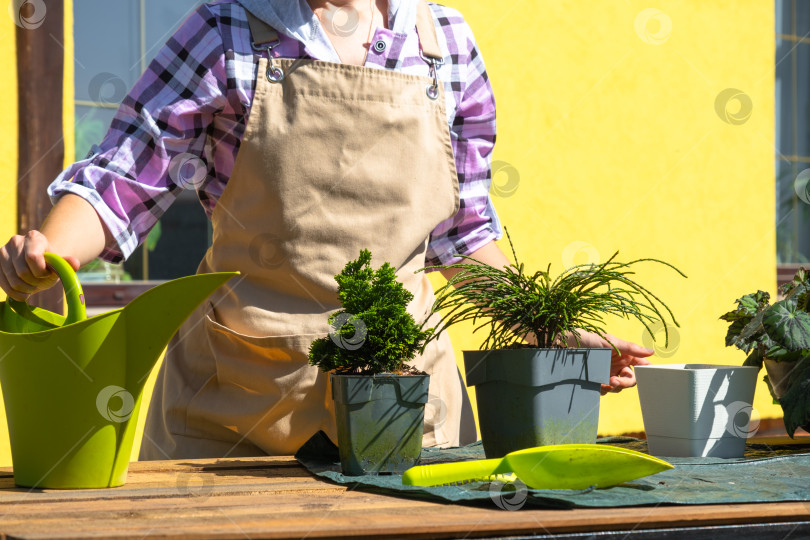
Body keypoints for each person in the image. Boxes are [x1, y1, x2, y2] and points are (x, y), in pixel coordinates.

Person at [0, 0, 652, 460]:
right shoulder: (225, 28)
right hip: (239, 409)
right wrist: (47, 253)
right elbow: (123, 182)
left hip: (404, 410)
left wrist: (547, 327)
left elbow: (462, 233)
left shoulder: (444, 43)